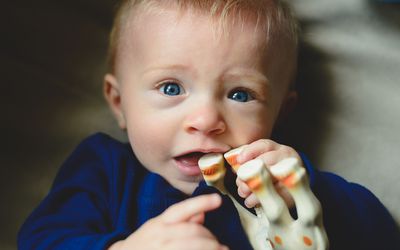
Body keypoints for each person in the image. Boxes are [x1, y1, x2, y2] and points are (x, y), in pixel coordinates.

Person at [18, 0, 399, 249]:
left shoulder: (277, 180)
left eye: (239, 95)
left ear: (280, 113)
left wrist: (308, 196)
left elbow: (383, 236)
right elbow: (40, 240)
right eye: (171, 88)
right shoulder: (103, 170)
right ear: (119, 103)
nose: (205, 122)